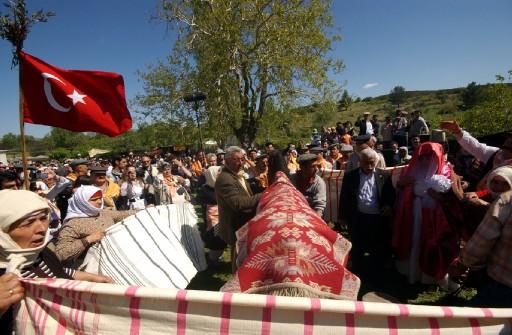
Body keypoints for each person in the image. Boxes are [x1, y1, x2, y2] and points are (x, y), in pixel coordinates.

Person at [0, 190, 111, 332]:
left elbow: (57, 269)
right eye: (28, 223)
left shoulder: (41, 252)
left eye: (43, 218)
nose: (41, 228)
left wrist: (92, 278)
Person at [393, 142, 459, 288]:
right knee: (414, 239)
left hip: (436, 216)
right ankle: (412, 271)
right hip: (414, 211)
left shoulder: (446, 170)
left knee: (431, 243)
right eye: (422, 156)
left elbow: (453, 197)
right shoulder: (411, 169)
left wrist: (437, 196)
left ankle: (430, 276)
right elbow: (399, 188)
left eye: (429, 156)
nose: (425, 160)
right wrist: (402, 184)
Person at [451, 166, 512, 307]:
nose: (499, 187)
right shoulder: (489, 196)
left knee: (477, 322)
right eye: (495, 182)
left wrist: (463, 263)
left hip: (501, 280)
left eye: (505, 183)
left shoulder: (505, 202)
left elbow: (481, 243)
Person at [339, 148, 395, 276]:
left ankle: (376, 274)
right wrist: (342, 216)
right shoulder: (350, 176)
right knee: (358, 246)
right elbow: (344, 197)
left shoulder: (384, 175)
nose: (370, 166)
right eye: (366, 163)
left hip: (378, 218)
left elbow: (390, 195)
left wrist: (388, 206)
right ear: (360, 161)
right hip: (358, 218)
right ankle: (358, 274)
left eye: (372, 162)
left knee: (377, 247)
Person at [53, 186, 137, 268]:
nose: (100, 202)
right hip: (88, 270)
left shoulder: (103, 213)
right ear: (82, 201)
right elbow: (61, 254)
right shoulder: (71, 225)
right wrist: (88, 240)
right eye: (94, 199)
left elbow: (124, 214)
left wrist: (145, 209)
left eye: (100, 198)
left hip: (114, 262)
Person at [215, 146, 262, 272]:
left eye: (242, 159)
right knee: (237, 262)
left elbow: (247, 194)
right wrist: (263, 196)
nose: (241, 163)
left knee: (243, 259)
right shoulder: (225, 178)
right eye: (237, 160)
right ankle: (235, 288)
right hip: (235, 226)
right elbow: (238, 203)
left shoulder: (236, 175)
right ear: (227, 161)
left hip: (243, 224)